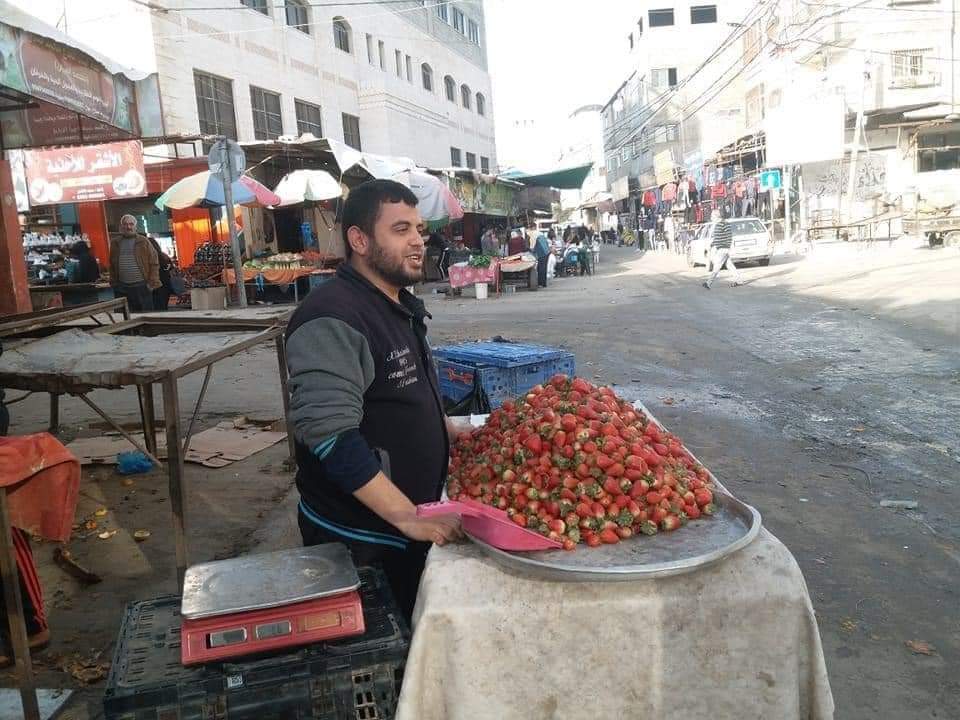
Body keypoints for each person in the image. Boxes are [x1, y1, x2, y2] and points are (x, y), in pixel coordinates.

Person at [285, 180, 462, 621]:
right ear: (359, 240)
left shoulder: (395, 300)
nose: (419, 241)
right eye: (401, 229)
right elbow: (330, 437)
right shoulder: (332, 317)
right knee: (391, 652)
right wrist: (406, 516)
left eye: (419, 229)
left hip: (411, 523)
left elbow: (412, 384)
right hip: (364, 543)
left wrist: (445, 431)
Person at [109, 215, 160, 311]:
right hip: (122, 287)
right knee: (124, 316)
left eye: (131, 224)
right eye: (125, 224)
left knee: (146, 316)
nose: (128, 227)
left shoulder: (144, 241)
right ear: (121, 227)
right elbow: (111, 264)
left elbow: (154, 263)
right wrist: (114, 283)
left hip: (142, 286)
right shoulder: (115, 243)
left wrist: (151, 283)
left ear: (135, 227)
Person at [702, 216, 743, 289]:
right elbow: (717, 237)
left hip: (723, 249)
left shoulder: (724, 224)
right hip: (721, 248)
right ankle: (739, 280)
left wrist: (727, 246)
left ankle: (708, 283)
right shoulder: (718, 224)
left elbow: (729, 236)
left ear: (716, 216)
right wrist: (712, 244)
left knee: (717, 266)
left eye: (712, 216)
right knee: (730, 266)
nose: (711, 218)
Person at [147, 236, 175, 311]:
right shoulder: (164, 256)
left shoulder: (151, 258)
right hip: (166, 286)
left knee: (157, 307)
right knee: (163, 306)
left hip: (157, 286)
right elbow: (171, 269)